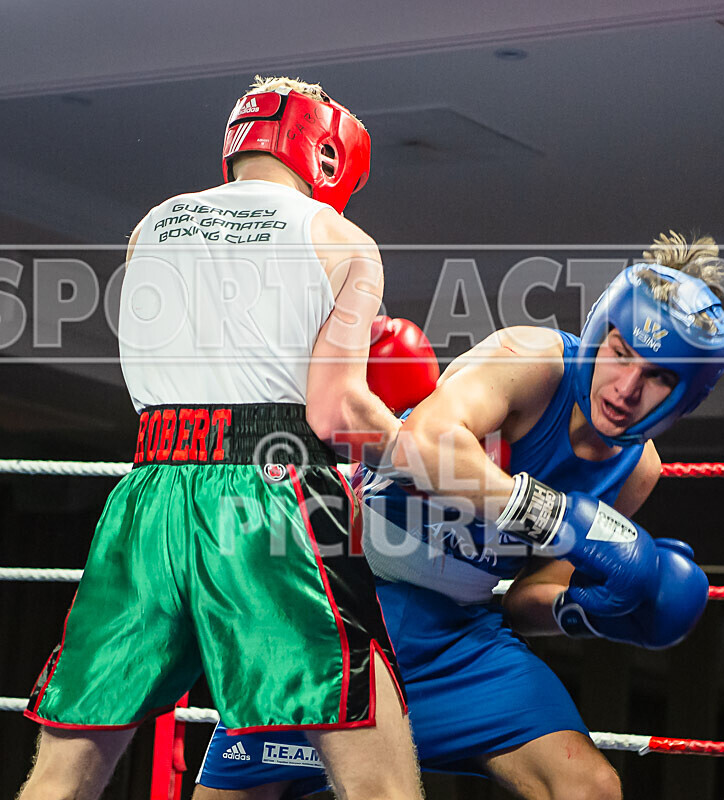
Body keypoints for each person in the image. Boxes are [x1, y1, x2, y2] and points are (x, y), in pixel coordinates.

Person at [193, 232, 724, 799]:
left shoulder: (637, 472)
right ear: (601, 334)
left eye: (658, 377)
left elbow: (527, 602)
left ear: (687, 395)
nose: (627, 387)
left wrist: (585, 613)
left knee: (588, 787)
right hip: (345, 602)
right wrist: (557, 518)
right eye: (621, 353)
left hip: (457, 638)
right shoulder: (529, 362)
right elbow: (428, 442)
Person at [18, 77, 431, 800]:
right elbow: (337, 410)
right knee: (379, 777)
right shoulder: (340, 239)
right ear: (327, 151)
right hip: (274, 491)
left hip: (148, 495)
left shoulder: (152, 225)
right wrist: (429, 459)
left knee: (67, 769)